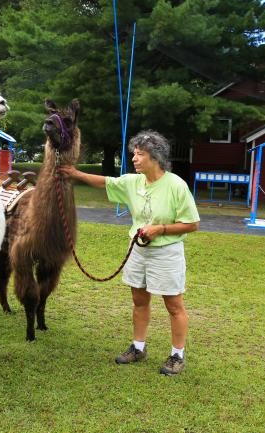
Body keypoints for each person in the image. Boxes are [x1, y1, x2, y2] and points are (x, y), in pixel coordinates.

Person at [59, 130, 200, 376]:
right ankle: (138, 347)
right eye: (134, 154)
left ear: (155, 157)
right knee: (139, 300)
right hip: (138, 250)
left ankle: (177, 355)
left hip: (167, 253)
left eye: (140, 154)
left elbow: (192, 223)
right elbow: (105, 182)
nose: (134, 159)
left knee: (174, 305)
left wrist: (161, 229)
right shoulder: (133, 182)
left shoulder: (176, 185)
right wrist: (74, 174)